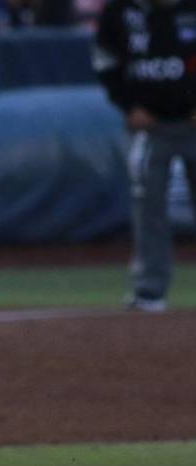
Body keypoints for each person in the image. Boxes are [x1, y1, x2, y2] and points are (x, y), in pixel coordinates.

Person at [93, 0, 196, 312]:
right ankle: (150, 290)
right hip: (149, 127)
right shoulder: (119, 11)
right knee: (147, 206)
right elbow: (105, 61)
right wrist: (128, 105)